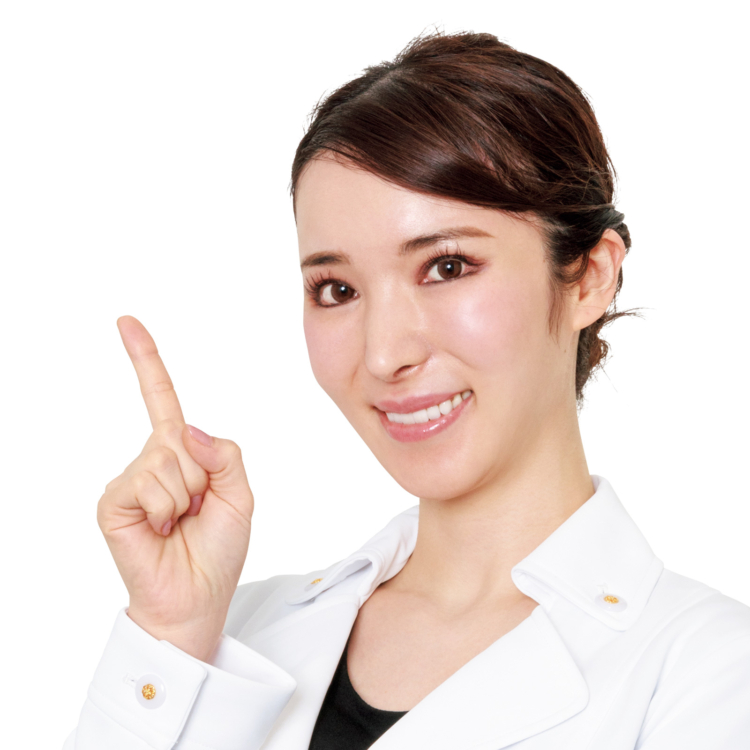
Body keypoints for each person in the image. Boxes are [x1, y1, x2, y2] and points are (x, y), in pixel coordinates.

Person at [63, 31, 750, 750]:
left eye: (447, 267)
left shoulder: (708, 673)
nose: (384, 353)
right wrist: (171, 637)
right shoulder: (229, 634)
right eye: (337, 289)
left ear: (589, 277)